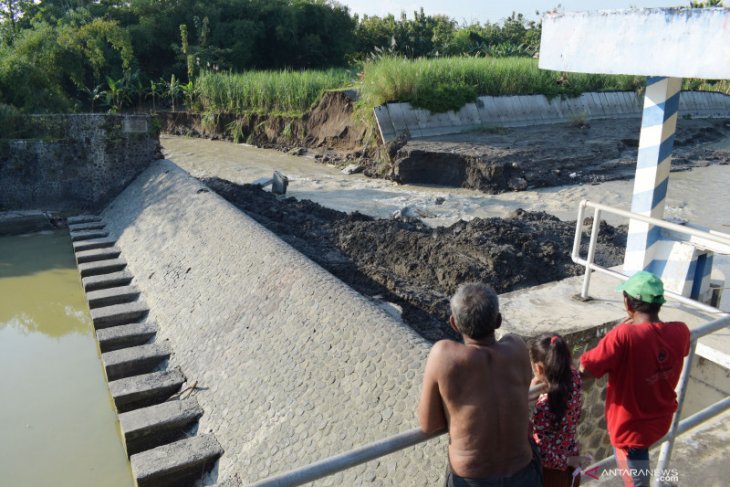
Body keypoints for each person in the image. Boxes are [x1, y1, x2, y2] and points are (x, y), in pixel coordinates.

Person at [418, 282, 542, 487]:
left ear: (454, 323)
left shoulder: (444, 355)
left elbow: (429, 425)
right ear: (498, 321)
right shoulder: (517, 347)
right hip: (524, 474)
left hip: (473, 480)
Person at [579, 271, 690, 487]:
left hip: (630, 432)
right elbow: (664, 346)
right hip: (660, 420)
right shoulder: (680, 331)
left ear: (628, 302)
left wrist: (615, 334)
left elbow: (585, 369)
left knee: (637, 483)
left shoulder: (622, 336)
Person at [529, 334, 590, 487]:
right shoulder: (575, 377)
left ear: (538, 367)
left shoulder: (544, 404)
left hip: (552, 474)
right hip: (571, 461)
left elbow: (542, 452)